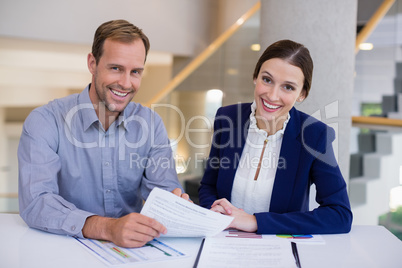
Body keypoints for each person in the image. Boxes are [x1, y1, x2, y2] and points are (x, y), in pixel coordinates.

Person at [18, 19, 189, 248]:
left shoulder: (151, 124)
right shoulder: (46, 121)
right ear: (92, 63)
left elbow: (164, 191)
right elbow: (36, 202)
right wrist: (107, 228)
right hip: (63, 249)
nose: (126, 83)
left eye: (135, 71)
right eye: (116, 68)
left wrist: (175, 203)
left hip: (132, 253)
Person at [198, 39, 353, 234]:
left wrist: (255, 222)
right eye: (267, 80)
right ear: (255, 77)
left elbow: (340, 215)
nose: (272, 95)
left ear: (302, 94)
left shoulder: (314, 135)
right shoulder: (226, 118)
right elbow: (208, 185)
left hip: (280, 251)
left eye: (288, 87)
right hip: (223, 242)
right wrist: (214, 212)